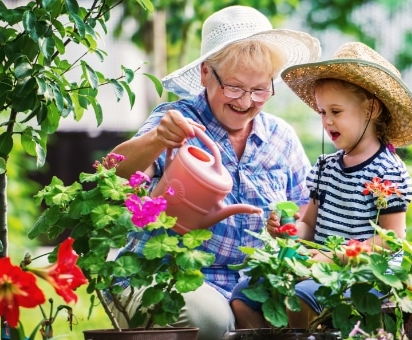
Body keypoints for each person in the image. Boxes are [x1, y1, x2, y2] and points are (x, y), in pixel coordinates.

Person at [108, 5, 321, 340]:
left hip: (249, 286)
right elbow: (114, 174)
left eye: (260, 89)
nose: (246, 101)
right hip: (169, 274)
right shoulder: (177, 120)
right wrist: (155, 140)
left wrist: (290, 232)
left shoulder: (281, 139)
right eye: (234, 87)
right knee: (207, 320)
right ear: (206, 73)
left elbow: (307, 219)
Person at [230, 41, 412, 329]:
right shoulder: (325, 168)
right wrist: (288, 231)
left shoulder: (388, 172)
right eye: (321, 112)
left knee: (299, 297)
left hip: (364, 275)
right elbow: (309, 225)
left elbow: (389, 241)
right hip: (319, 267)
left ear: (371, 109)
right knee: (244, 295)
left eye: (336, 111)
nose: (327, 121)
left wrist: (335, 256)